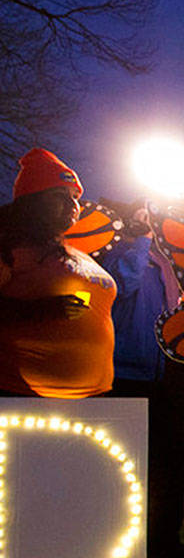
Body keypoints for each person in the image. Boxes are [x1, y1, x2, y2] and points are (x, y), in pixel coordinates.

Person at [100, 201, 184, 558]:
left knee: (171, 465)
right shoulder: (123, 252)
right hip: (128, 374)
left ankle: (164, 543)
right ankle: (120, 546)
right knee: (125, 468)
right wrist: (141, 240)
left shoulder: (178, 264)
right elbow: (120, 286)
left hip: (172, 374)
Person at [0, 148, 116, 398]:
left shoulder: (76, 252)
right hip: (23, 400)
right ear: (32, 200)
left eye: (75, 196)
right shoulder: (9, 247)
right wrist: (39, 310)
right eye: (59, 195)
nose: (72, 204)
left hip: (95, 401)